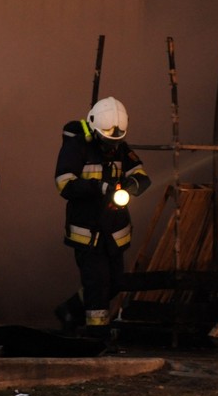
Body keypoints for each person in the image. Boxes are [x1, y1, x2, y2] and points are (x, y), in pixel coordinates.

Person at [54, 96, 151, 341]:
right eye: (107, 140)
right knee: (97, 286)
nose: (111, 146)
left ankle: (69, 310)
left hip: (113, 232)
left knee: (115, 283)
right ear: (96, 129)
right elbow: (64, 184)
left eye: (115, 141)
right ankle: (97, 337)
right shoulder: (77, 146)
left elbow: (141, 175)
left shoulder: (119, 146)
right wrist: (98, 187)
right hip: (87, 232)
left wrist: (132, 184)